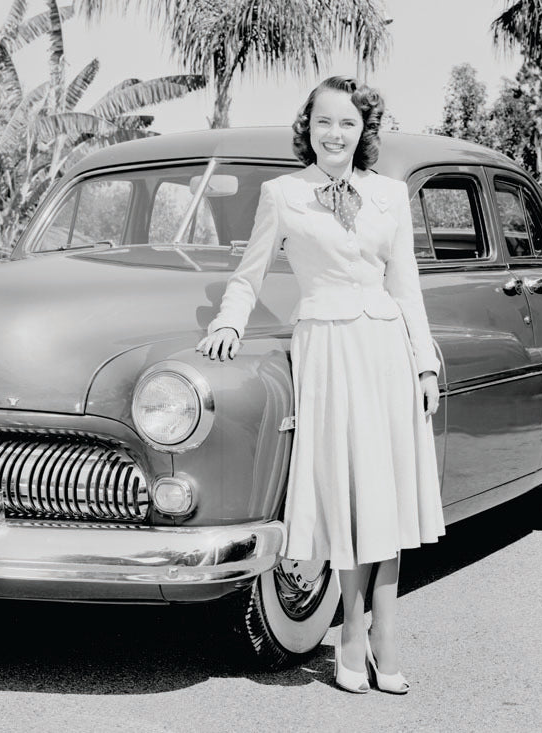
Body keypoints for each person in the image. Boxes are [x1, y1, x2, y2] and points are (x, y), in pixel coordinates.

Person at [196, 76, 445, 694]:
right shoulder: (282, 194)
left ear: (364, 132)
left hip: (386, 350)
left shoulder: (390, 194)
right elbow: (248, 275)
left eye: (348, 123)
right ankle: (351, 633)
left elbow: (406, 288)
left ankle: (386, 635)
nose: (336, 134)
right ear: (307, 127)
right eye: (325, 121)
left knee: (388, 497)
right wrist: (227, 323)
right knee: (348, 496)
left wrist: (425, 365)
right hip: (328, 351)